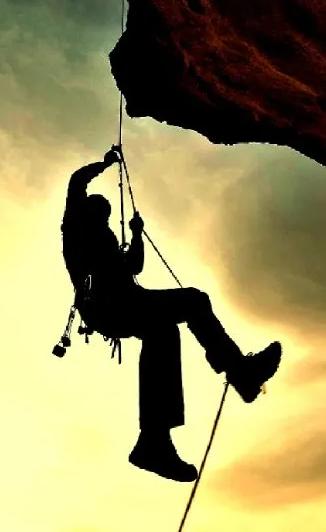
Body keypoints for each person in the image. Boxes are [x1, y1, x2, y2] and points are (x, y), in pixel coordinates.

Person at [61, 148, 282, 482]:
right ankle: (240, 374)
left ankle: (154, 440)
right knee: (192, 302)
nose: (104, 216)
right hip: (108, 306)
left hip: (124, 302)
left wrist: (136, 235)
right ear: (88, 209)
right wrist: (105, 165)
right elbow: (77, 181)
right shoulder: (75, 226)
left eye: (106, 214)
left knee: (164, 331)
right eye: (101, 210)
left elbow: (133, 266)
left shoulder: (104, 238)